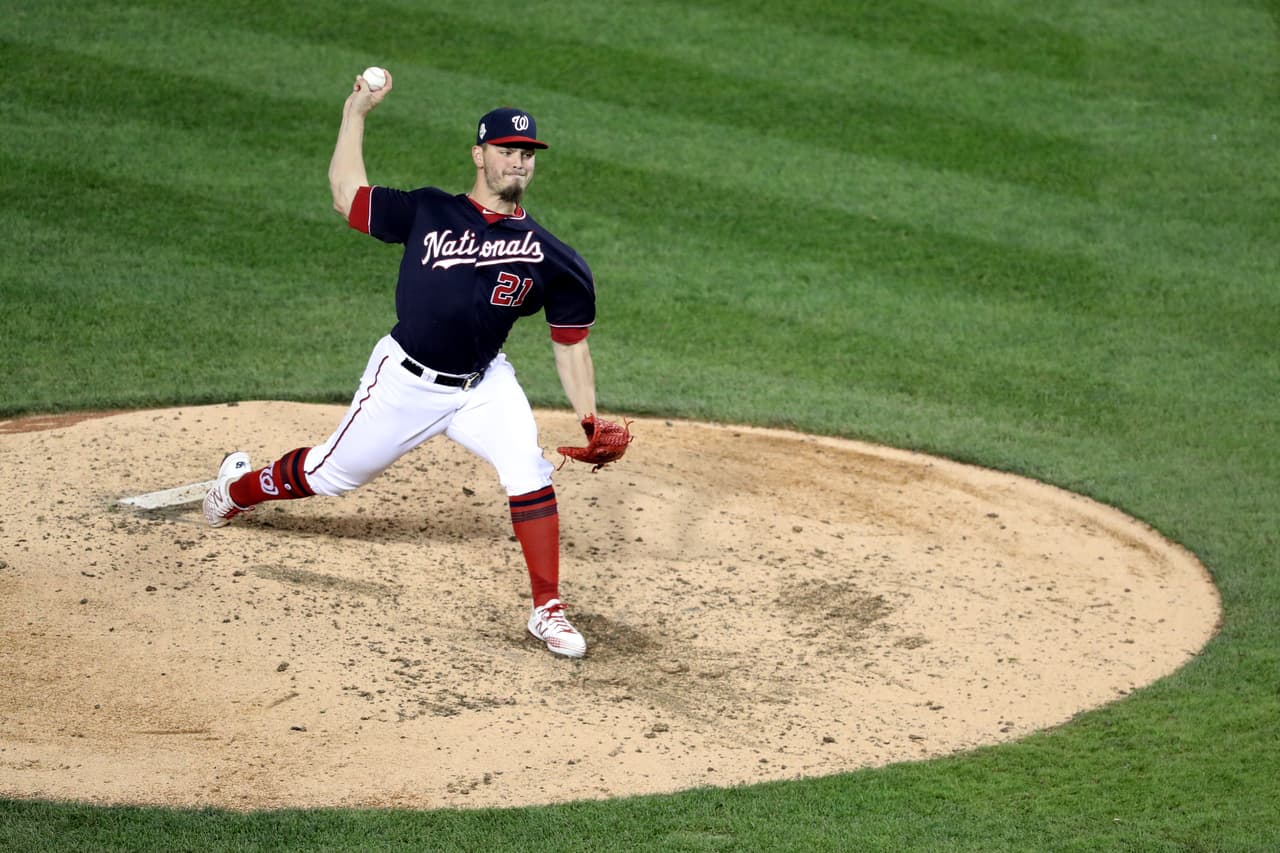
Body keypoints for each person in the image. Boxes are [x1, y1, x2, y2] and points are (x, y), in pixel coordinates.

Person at [203, 69, 605, 658]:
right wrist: (355, 114)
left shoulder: (553, 256)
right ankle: (236, 489)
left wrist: (590, 419)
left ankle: (547, 609)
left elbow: (570, 343)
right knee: (329, 475)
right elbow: (348, 196)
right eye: (506, 150)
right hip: (405, 381)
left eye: (527, 153)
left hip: (483, 384)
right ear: (479, 155)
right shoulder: (429, 210)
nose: (518, 162)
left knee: (529, 469)